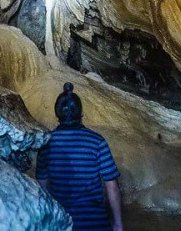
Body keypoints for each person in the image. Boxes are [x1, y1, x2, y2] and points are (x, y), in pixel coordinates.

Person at [35, 83, 124, 231]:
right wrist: (118, 223)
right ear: (80, 113)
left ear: (58, 114)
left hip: (61, 223)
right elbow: (112, 186)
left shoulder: (46, 143)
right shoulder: (97, 142)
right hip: (95, 224)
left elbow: (42, 186)